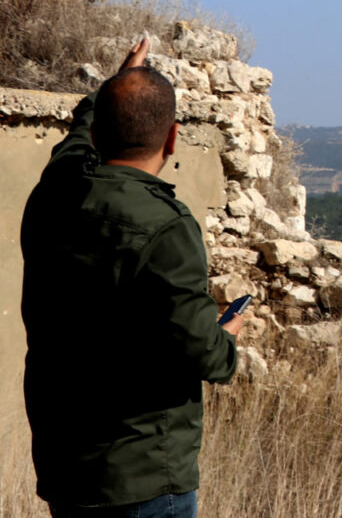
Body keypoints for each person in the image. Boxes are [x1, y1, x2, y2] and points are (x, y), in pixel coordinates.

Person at [20, 38, 242, 517]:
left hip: (66, 467)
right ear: (173, 138)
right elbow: (203, 352)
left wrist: (107, 92)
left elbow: (75, 144)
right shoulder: (168, 226)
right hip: (142, 475)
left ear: (99, 134)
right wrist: (226, 341)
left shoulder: (53, 194)